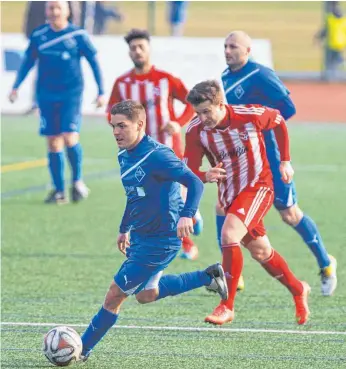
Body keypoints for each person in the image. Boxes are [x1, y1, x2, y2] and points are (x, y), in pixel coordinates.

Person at [79, 100, 228, 360]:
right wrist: (124, 228)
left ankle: (80, 349)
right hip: (140, 236)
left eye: (122, 126)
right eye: (113, 126)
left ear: (140, 125)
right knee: (147, 295)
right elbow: (134, 195)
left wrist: (187, 215)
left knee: (114, 295)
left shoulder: (157, 154)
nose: (116, 132)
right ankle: (209, 276)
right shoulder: (124, 155)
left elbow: (194, 183)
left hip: (161, 240)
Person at [219, 30, 337, 296]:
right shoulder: (225, 77)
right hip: (246, 159)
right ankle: (232, 276)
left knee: (289, 215)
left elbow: (289, 108)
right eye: (225, 46)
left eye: (233, 46)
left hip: (271, 158)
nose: (227, 51)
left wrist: (265, 124)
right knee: (224, 207)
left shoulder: (260, 74)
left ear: (247, 51)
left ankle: (326, 263)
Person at [183, 80, 310, 326]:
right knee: (261, 251)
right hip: (230, 195)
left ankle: (226, 305)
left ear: (221, 104)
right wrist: (205, 175)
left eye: (206, 111)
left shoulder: (250, 115)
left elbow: (279, 121)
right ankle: (298, 289)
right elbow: (188, 172)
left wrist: (285, 161)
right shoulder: (195, 130)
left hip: (259, 187)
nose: (202, 117)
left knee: (229, 235)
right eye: (198, 112)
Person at [107, 28, 203, 261]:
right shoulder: (122, 83)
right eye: (133, 48)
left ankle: (188, 243)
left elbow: (193, 103)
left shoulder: (165, 79)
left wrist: (178, 122)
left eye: (141, 46)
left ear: (149, 49)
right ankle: (191, 224)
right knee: (152, 200)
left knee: (172, 199)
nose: (137, 51)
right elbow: (111, 113)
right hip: (139, 154)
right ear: (129, 52)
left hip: (168, 149)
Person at [9, 1, 105, 204]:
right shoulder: (39, 36)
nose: (54, 12)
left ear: (67, 11)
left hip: (71, 94)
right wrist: (16, 86)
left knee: (70, 137)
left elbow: (94, 62)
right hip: (46, 95)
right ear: (46, 11)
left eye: (58, 8)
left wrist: (101, 91)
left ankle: (77, 181)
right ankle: (59, 191)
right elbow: (27, 61)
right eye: (50, 8)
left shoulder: (77, 36)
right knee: (53, 142)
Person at [314, 1, 346, 79]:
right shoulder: (342, 17)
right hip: (340, 42)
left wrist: (318, 37)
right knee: (336, 59)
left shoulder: (330, 18)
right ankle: (334, 74)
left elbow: (325, 30)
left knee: (331, 61)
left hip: (332, 43)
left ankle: (331, 76)